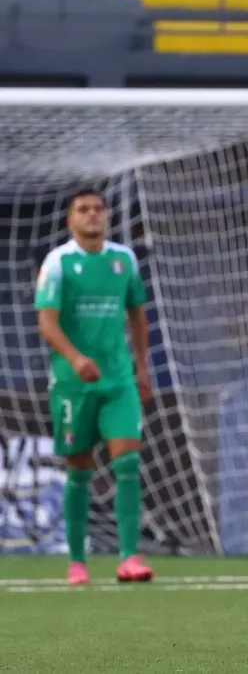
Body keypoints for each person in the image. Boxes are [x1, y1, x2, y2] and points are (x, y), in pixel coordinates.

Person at [34, 189, 154, 585]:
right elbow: (46, 321)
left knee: (128, 463)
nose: (92, 215)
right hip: (72, 383)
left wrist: (141, 368)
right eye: (83, 210)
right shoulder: (58, 263)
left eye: (98, 209)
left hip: (117, 380)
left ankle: (130, 557)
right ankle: (76, 561)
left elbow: (137, 314)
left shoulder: (124, 260)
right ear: (70, 220)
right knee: (79, 468)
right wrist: (75, 359)